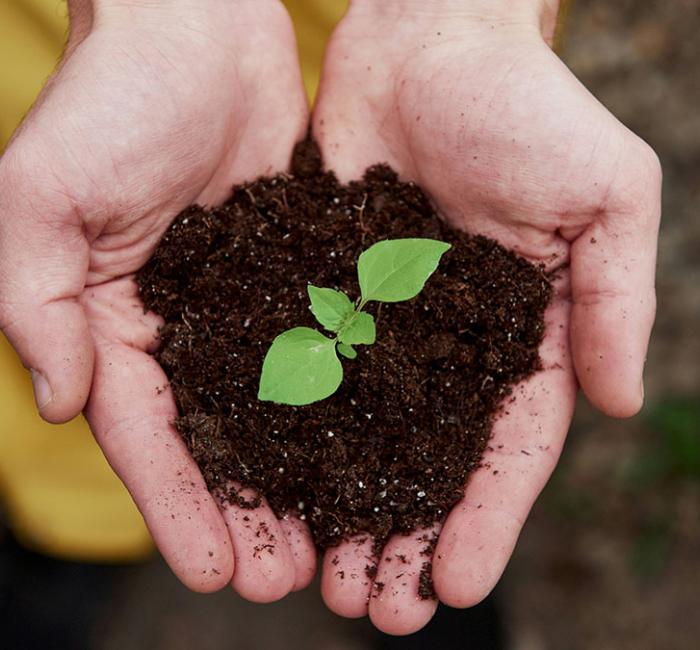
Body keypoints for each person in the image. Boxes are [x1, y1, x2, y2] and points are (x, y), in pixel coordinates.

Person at [0, 0, 660, 637]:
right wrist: (148, 19)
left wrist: (466, 22)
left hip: (418, 102)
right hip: (172, 133)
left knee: (439, 557)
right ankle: (71, 540)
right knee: (94, 398)